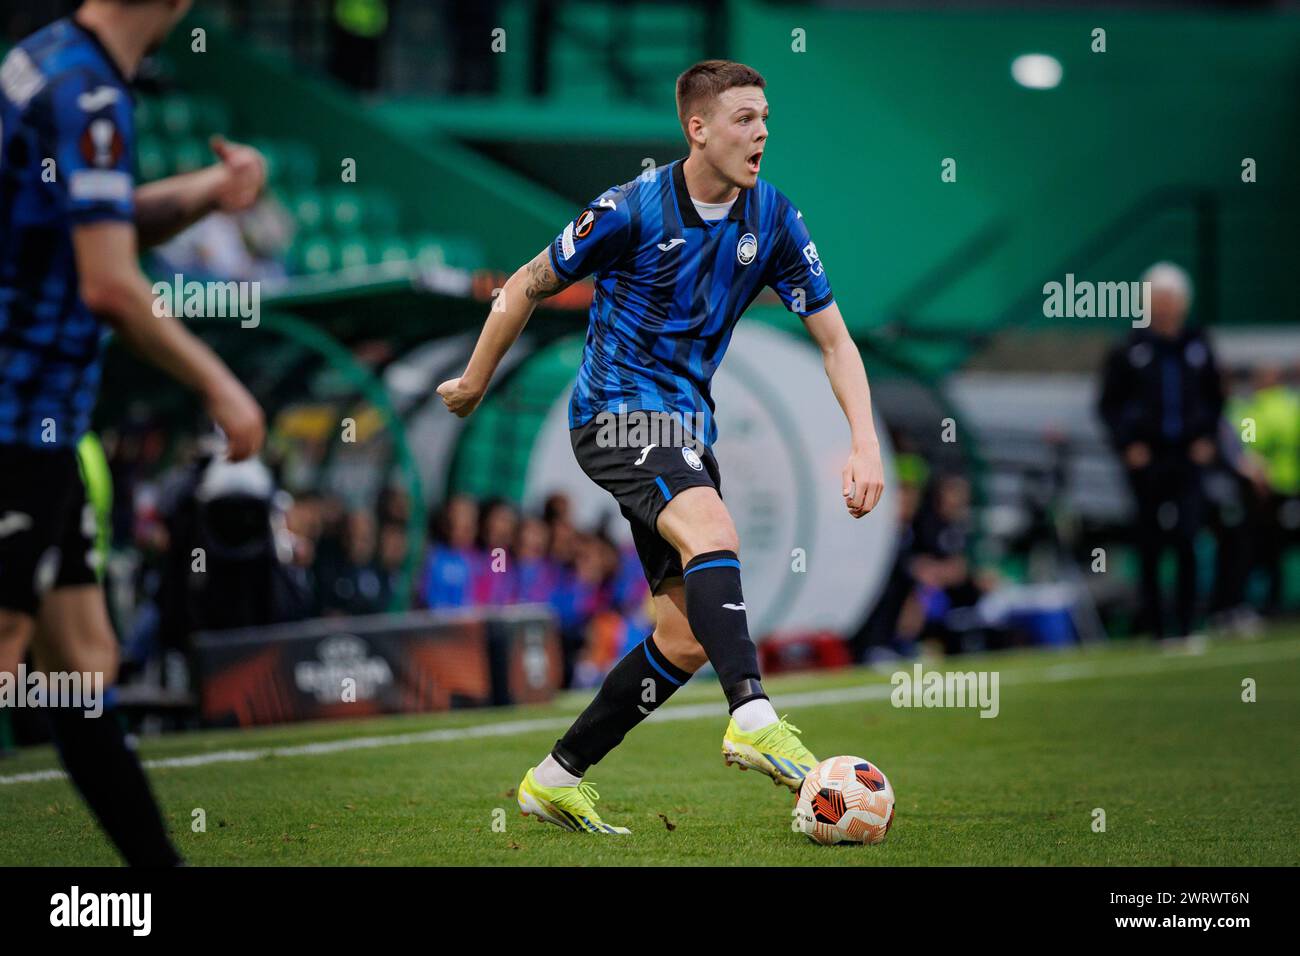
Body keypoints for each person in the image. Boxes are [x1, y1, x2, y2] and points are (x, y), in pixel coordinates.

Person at [437, 60, 886, 833]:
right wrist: (476, 381)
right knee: (714, 532)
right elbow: (524, 284)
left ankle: (554, 778)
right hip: (614, 415)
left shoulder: (774, 219)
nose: (762, 134)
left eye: (767, 119)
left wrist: (865, 443)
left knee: (681, 639)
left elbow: (837, 342)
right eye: (745, 119)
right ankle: (751, 714)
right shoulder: (630, 209)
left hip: (683, 428)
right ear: (698, 128)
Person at [0, 0, 266, 865]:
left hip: (44, 427)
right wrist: (222, 385)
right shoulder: (87, 94)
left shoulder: (49, 61)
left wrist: (208, 192)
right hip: (14, 421)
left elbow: (96, 221)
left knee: (82, 662)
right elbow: (110, 283)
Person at [1098, 262, 1223, 640]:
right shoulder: (1129, 349)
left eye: (1171, 299)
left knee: (1187, 537)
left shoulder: (1198, 346)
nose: (1164, 307)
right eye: (1157, 299)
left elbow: (1216, 398)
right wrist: (1127, 444)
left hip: (1187, 457)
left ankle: (1187, 624)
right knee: (1149, 542)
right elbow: (1108, 405)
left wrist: (1207, 439)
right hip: (1146, 459)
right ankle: (1154, 626)